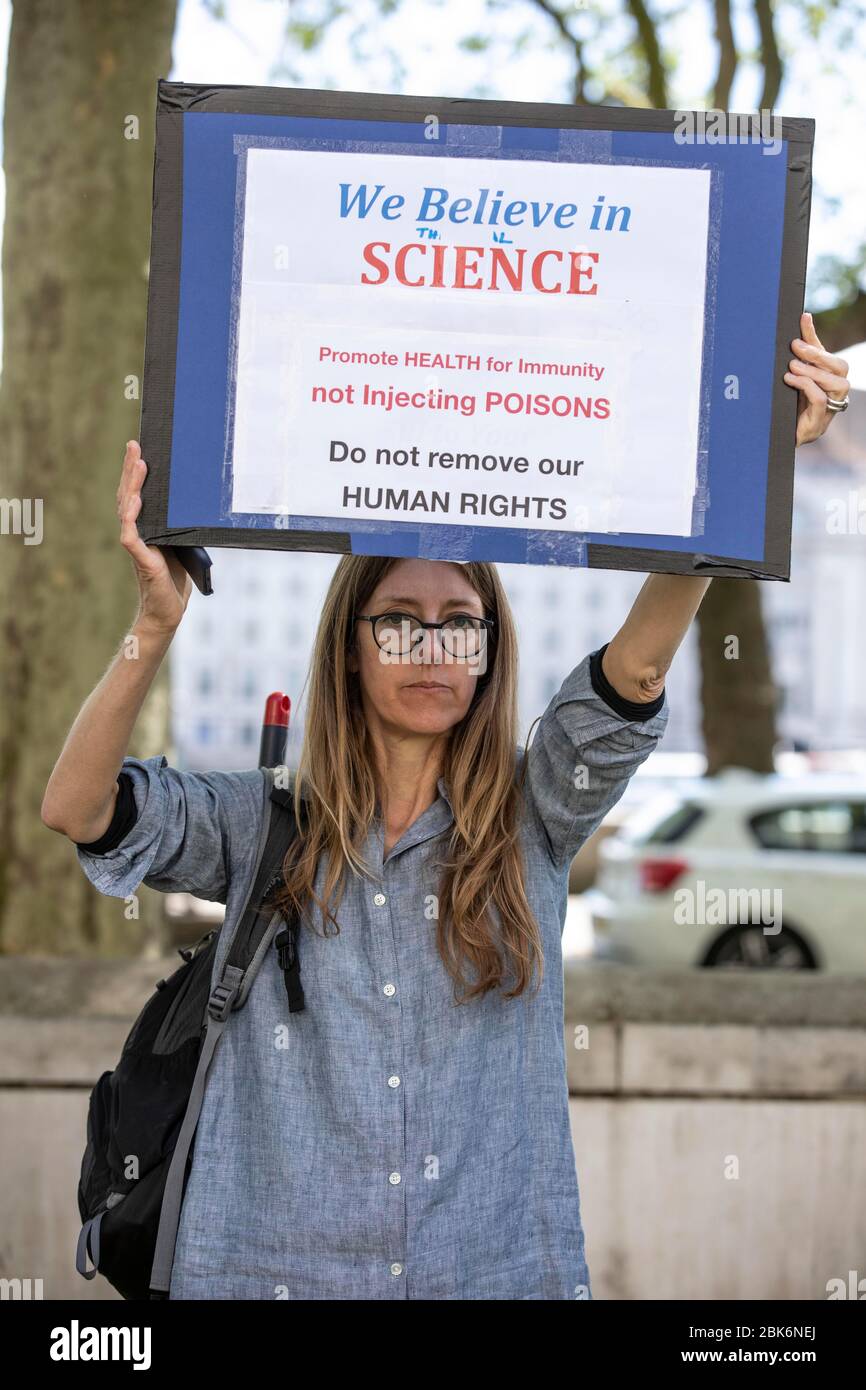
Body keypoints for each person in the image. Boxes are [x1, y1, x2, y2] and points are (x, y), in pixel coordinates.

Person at [41, 312, 849, 1299]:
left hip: (492, 1274)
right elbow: (79, 810)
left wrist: (749, 465)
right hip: (262, 1273)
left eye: (458, 624)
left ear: (489, 651)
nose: (431, 648)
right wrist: (153, 624)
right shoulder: (260, 824)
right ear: (350, 642)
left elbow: (634, 666)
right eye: (400, 622)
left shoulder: (535, 813)